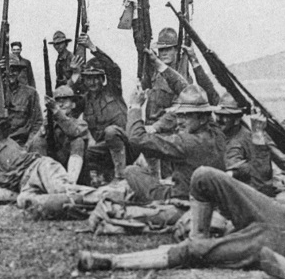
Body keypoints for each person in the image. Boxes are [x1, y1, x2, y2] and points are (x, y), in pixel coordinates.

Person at [78, 77, 285, 275]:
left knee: (197, 255)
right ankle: (197, 232)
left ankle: (111, 262)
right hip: (279, 212)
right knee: (205, 177)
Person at [0, 89, 95, 216]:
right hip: (23, 186)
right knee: (27, 201)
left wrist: (2, 77)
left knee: (62, 189)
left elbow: (1, 115)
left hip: (37, 168)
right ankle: (87, 207)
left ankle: (107, 197)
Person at [122, 74, 226, 203]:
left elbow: (137, 139)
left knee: (131, 171)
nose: (179, 122)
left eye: (186, 116)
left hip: (183, 201)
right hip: (208, 198)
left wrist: (135, 107)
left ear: (202, 119)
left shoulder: (186, 143)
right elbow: (186, 89)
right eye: (179, 116)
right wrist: (161, 66)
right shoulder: (218, 133)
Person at [68, 36, 129, 180]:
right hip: (100, 149)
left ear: (103, 79)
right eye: (88, 78)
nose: (92, 82)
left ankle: (120, 178)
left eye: (96, 78)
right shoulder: (86, 99)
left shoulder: (113, 90)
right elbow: (65, 106)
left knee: (110, 134)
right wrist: (75, 75)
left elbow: (113, 68)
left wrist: (92, 48)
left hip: (122, 146)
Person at [215, 93, 281, 196]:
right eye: (218, 114)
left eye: (224, 116)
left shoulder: (249, 139)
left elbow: (261, 176)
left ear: (236, 120)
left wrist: (237, 171)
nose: (218, 119)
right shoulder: (219, 135)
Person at [27, 85, 89, 183]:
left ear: (73, 105)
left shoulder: (80, 123)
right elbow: (33, 146)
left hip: (75, 172)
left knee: (78, 141)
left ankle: (70, 183)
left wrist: (57, 111)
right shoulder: (48, 124)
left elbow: (73, 132)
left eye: (65, 101)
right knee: (39, 140)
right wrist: (44, 129)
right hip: (51, 169)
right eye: (57, 101)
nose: (60, 104)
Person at [0, 58, 43, 147]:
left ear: (18, 73)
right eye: (5, 70)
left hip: (20, 143)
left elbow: (37, 122)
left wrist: (29, 144)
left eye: (14, 70)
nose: (10, 73)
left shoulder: (30, 93)